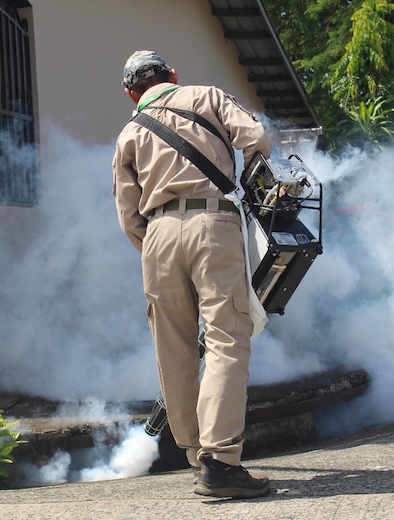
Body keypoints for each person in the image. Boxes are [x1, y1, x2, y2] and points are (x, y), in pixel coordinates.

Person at [112, 50, 272, 499]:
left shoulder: (128, 133)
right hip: (213, 223)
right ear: (174, 77)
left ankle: (195, 456)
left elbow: (128, 217)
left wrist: (159, 246)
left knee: (175, 350)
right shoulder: (208, 96)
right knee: (225, 338)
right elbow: (257, 137)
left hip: (157, 238)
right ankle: (220, 460)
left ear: (131, 93)